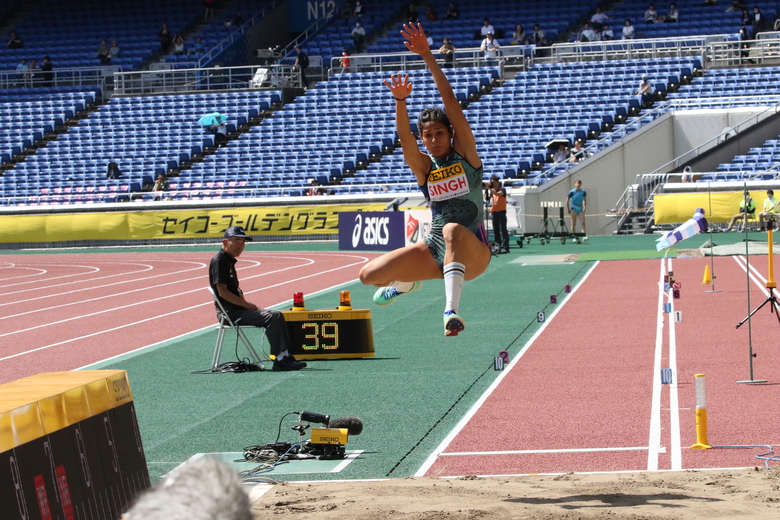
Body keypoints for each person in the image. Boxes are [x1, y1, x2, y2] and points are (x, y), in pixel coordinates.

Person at [359, 23, 492, 337]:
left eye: (439, 134)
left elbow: (450, 102)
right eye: (428, 136)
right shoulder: (424, 168)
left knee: (451, 229)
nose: (433, 140)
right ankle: (407, 283)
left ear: (450, 134)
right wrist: (400, 101)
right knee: (369, 275)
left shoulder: (467, 156)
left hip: (474, 249)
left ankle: (450, 311)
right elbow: (405, 138)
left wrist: (427, 56)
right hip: (435, 250)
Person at [209, 226, 307, 371]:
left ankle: (285, 356)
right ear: (225, 242)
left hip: (237, 310)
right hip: (230, 313)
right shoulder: (219, 260)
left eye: (243, 242)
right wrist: (247, 305)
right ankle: (280, 360)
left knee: (277, 315)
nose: (240, 246)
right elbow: (222, 293)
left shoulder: (228, 260)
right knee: (271, 317)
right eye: (236, 241)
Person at [488, 175, 510, 254]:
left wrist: (489, 188)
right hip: (494, 212)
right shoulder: (492, 190)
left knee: (503, 230)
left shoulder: (503, 190)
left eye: (493, 182)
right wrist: (487, 192)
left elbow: (498, 194)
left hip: (501, 212)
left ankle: (506, 247)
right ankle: (498, 247)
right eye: (491, 182)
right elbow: (488, 198)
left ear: (497, 182)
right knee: (496, 231)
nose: (492, 183)